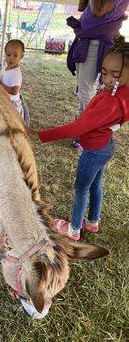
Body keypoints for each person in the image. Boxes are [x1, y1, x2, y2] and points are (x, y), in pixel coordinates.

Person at [38, 37, 129, 241]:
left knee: (81, 190)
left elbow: (77, 128)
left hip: (93, 151)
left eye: (115, 75)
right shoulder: (123, 93)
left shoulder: (110, 101)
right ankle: (93, 222)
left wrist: (42, 135)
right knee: (96, 185)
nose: (107, 79)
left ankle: (73, 229)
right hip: (106, 147)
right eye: (104, 72)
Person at [67, 0, 129, 148]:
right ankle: (84, 129)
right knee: (85, 89)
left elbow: (100, 10)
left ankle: (91, 132)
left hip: (98, 42)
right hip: (89, 40)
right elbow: (83, 5)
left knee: (86, 90)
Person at [0, 39, 26, 119]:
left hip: (11, 102)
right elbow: (1, 75)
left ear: (21, 56)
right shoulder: (5, 66)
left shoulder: (16, 73)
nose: (11, 58)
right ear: (5, 54)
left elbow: (14, 91)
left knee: (10, 120)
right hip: (3, 97)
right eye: (8, 55)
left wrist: (0, 84)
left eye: (15, 55)